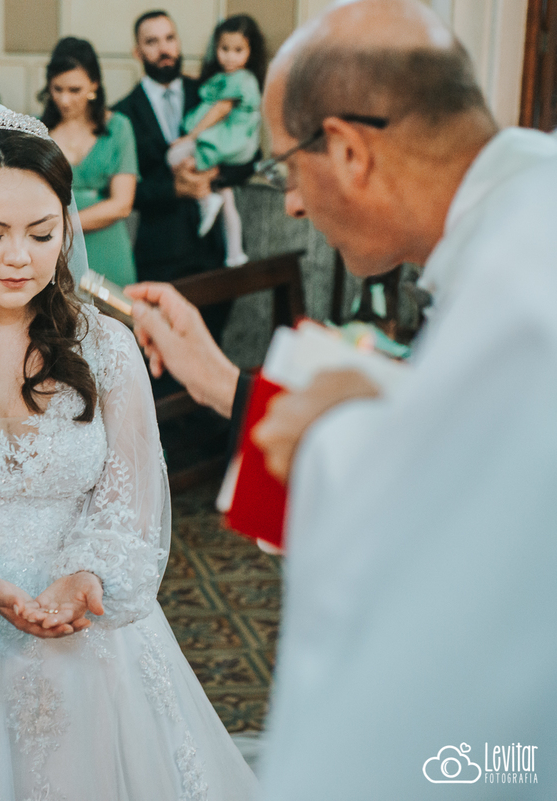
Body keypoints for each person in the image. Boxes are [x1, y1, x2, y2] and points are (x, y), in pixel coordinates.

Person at [130, 1, 557, 797]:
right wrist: (221, 381)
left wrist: (342, 435)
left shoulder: (520, 291)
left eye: (287, 170)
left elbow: (465, 566)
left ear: (351, 151)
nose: (291, 202)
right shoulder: (531, 208)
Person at [0, 105, 258, 800]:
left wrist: (86, 572)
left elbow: (131, 500)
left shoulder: (105, 344)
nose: (19, 256)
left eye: (42, 233)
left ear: (67, 228)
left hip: (89, 641)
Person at [112, 11, 254, 292]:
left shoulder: (210, 92)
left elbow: (250, 152)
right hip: (160, 257)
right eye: (152, 42)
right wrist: (174, 188)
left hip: (217, 252)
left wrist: (214, 174)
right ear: (137, 52)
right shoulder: (122, 114)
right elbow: (125, 192)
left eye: (170, 38)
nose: (164, 49)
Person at [41, 36, 138, 286]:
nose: (65, 100)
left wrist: (64, 225)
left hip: (106, 243)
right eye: (58, 89)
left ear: (94, 85)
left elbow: (122, 204)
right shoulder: (37, 130)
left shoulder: (119, 127)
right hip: (52, 248)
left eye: (74, 90)